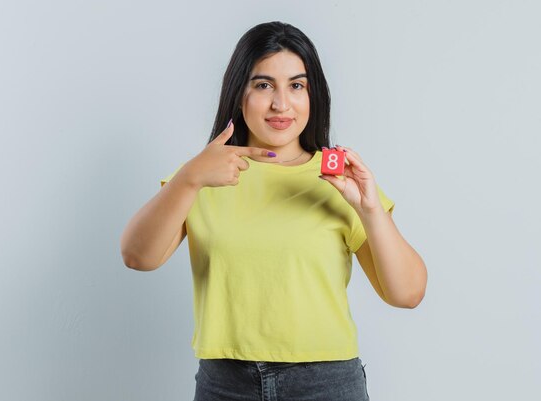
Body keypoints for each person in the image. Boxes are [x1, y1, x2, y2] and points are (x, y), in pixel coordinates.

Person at [120, 21, 427, 401]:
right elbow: (137, 256)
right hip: (224, 384)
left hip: (326, 385)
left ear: (314, 95)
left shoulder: (341, 180)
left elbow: (408, 294)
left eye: (296, 85)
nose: (281, 104)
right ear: (238, 92)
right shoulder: (203, 175)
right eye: (263, 85)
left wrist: (370, 211)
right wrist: (188, 178)